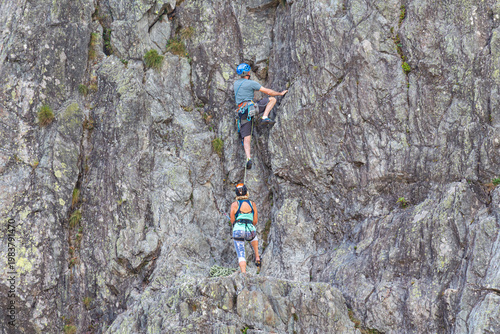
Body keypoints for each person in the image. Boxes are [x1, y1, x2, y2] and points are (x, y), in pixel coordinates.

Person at [233, 63, 288, 169]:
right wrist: (280, 93)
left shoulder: (236, 84)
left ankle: (248, 158)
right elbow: (267, 91)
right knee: (272, 99)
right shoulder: (251, 83)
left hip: (241, 113)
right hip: (250, 109)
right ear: (248, 73)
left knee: (246, 138)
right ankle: (265, 117)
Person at [230, 183, 260, 274]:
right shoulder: (252, 204)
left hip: (238, 229)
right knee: (254, 237)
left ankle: (244, 273)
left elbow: (232, 220)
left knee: (241, 253)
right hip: (250, 230)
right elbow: (255, 221)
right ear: (246, 192)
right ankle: (257, 256)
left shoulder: (234, 205)